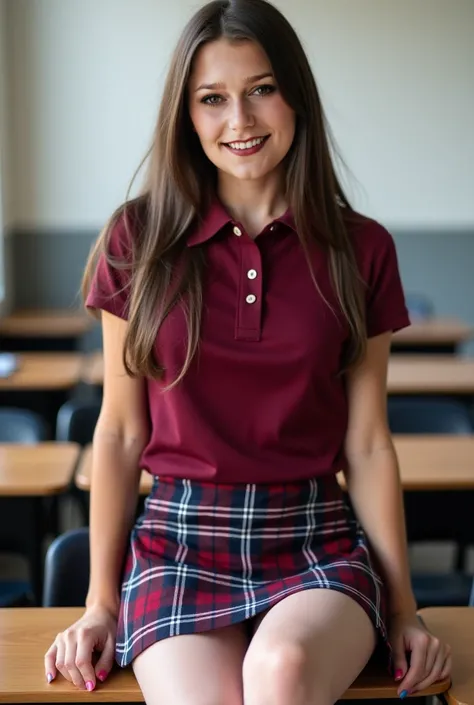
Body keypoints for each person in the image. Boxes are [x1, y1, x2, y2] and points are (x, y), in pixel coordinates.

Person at [44, 1, 451, 703]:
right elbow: (118, 432)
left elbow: (368, 442)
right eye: (212, 99)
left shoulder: (364, 248)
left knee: (282, 671)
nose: (241, 120)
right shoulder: (134, 240)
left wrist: (405, 608)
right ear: (186, 114)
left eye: (261, 88)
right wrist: (99, 604)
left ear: (296, 94)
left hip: (316, 537)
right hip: (177, 542)